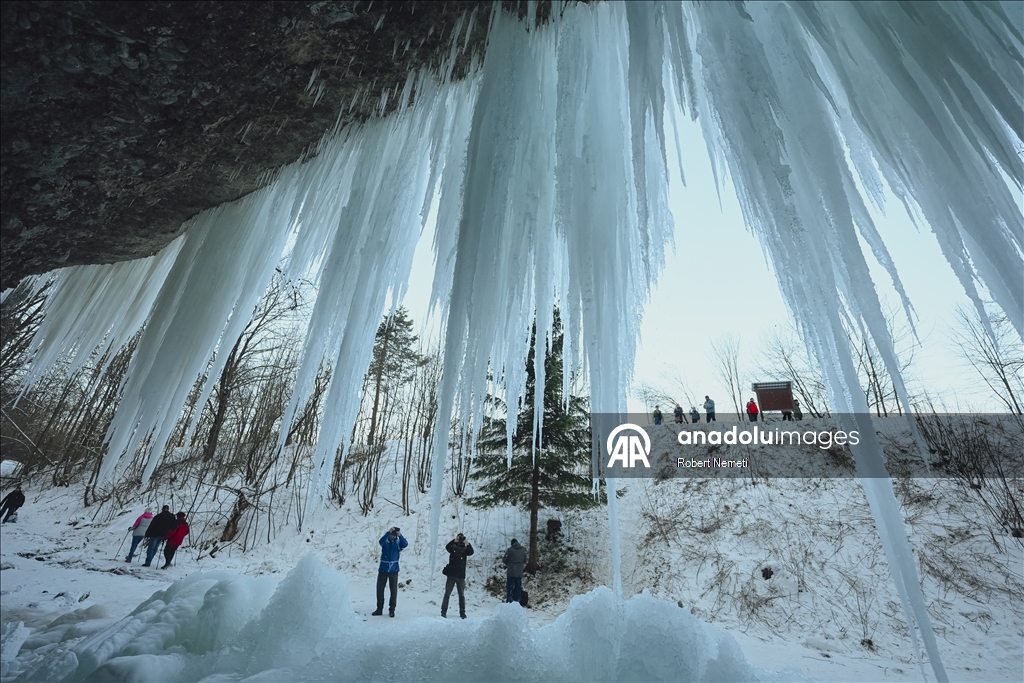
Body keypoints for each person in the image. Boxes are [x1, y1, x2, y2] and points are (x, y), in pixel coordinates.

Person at [373, 526, 408, 617]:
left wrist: (400, 535)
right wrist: (388, 532)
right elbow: (380, 541)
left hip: (394, 570)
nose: (392, 536)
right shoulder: (386, 542)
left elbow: (405, 544)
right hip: (383, 569)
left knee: (394, 591)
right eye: (391, 535)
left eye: (394, 535)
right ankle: (379, 609)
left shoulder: (398, 542)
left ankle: (392, 610)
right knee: (380, 590)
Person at [441, 533, 474, 619]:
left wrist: (468, 544)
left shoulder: (465, 548)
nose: (460, 540)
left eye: (461, 538)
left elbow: (471, 552)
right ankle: (443, 611)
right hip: (452, 574)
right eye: (459, 538)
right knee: (447, 593)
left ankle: (462, 612)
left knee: (461, 595)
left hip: (460, 575)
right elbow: (447, 547)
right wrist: (453, 541)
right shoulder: (453, 547)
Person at [503, 538, 527, 604]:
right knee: (518, 588)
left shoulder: (510, 550)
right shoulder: (522, 550)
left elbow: (504, 560)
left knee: (510, 587)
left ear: (512, 544)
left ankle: (509, 601)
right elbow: (525, 560)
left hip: (511, 572)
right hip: (519, 573)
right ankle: (517, 601)